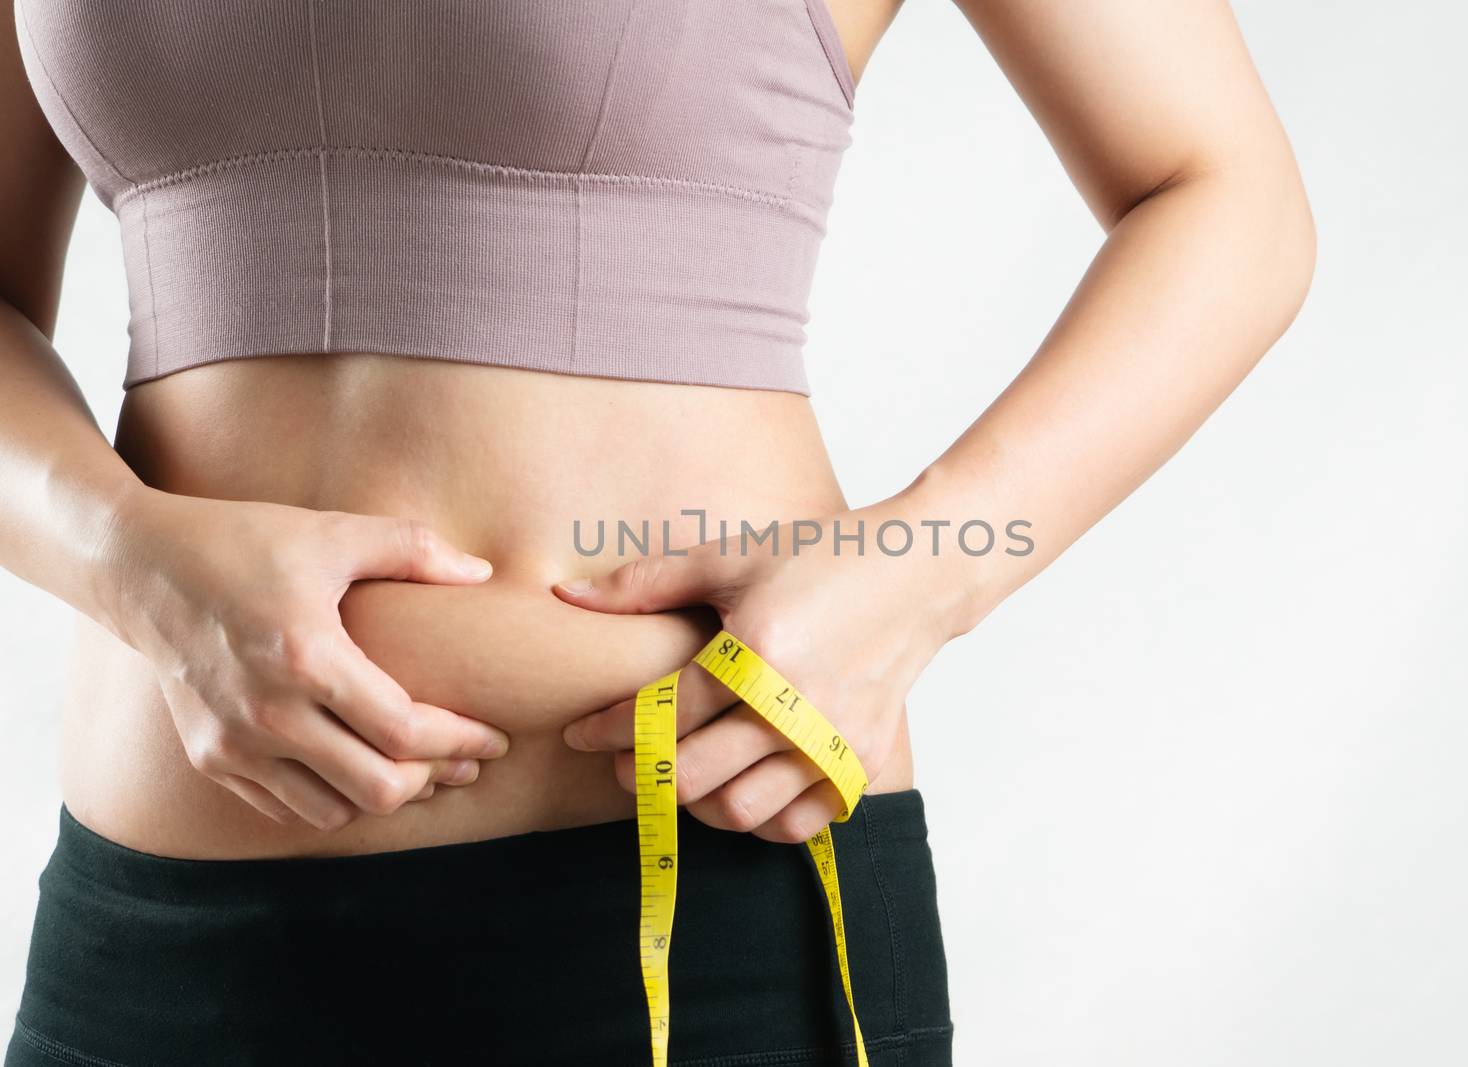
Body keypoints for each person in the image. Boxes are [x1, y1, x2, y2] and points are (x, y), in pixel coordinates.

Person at [0, 1, 1314, 1064]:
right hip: (149, 947)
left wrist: (921, 578)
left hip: (694, 910)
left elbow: (1225, 198)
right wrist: (120, 554)